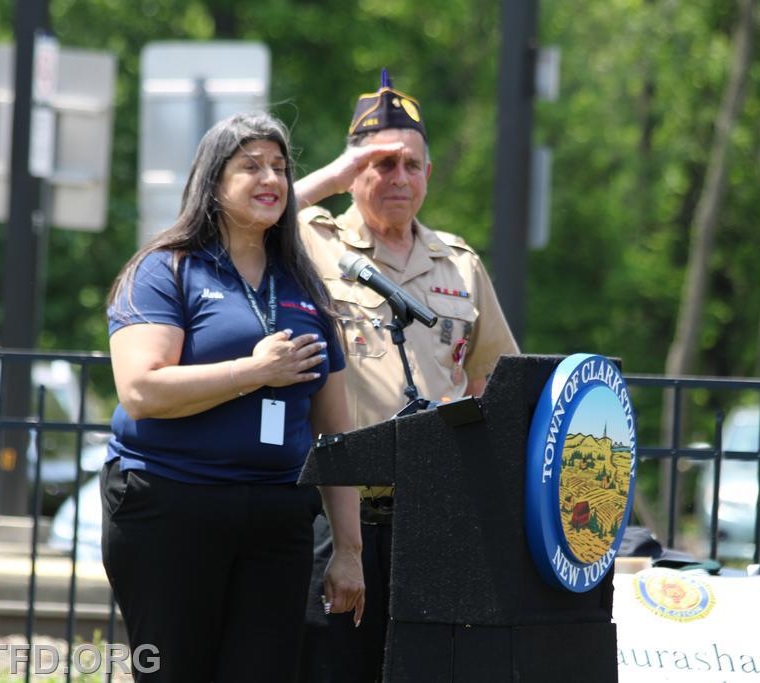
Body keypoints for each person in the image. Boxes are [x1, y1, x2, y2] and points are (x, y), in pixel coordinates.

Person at [102, 112, 364, 683]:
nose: (271, 177)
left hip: (276, 523)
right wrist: (252, 372)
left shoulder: (305, 287)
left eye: (280, 167)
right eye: (251, 166)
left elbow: (336, 436)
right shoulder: (165, 270)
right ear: (213, 183)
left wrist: (349, 550)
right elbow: (142, 390)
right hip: (171, 509)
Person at [295, 70, 520, 682]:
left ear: (428, 174)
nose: (399, 178)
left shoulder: (459, 262)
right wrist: (333, 175)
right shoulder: (311, 243)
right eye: (382, 164)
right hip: (338, 514)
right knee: (333, 667)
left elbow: (493, 384)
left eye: (411, 165)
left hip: (435, 517)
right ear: (353, 172)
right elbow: (235, 217)